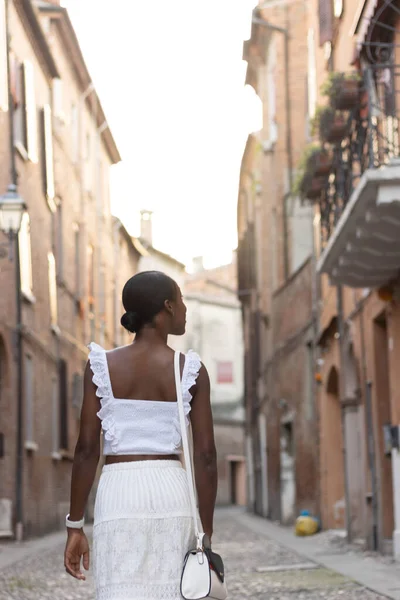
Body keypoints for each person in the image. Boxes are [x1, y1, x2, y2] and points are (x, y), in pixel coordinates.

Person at [64, 270, 218, 600]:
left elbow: (87, 448)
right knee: (171, 591)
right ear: (167, 307)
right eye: (181, 299)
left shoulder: (101, 366)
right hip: (171, 491)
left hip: (119, 491)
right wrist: (206, 531)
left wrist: (75, 524)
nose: (185, 308)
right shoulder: (189, 370)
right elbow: (205, 456)